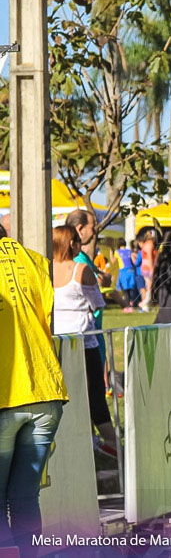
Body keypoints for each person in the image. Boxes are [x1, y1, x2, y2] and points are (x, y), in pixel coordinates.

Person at [0, 229, 68, 548]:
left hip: (6, 395)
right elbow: (47, 319)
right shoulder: (35, 261)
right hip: (46, 391)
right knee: (25, 498)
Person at [51, 226, 116, 458]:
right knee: (95, 396)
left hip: (56, 340)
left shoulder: (46, 270)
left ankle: (87, 445)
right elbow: (98, 302)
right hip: (84, 340)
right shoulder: (82, 270)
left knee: (66, 396)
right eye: (78, 241)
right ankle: (112, 443)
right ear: (72, 244)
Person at [115, 240, 144, 311]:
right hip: (131, 271)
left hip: (123, 271)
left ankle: (127, 306)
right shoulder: (129, 251)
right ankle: (133, 305)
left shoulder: (117, 252)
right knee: (132, 289)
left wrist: (110, 254)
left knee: (125, 290)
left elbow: (113, 261)